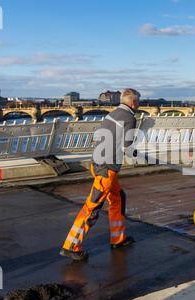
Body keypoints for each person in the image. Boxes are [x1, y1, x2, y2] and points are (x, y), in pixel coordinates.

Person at [60, 88, 141, 261]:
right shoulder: (130, 118)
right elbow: (127, 148)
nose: (139, 105)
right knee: (93, 207)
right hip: (106, 169)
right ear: (133, 103)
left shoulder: (111, 115)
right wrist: (135, 152)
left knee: (118, 197)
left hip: (97, 163)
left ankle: (118, 239)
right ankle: (71, 246)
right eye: (138, 102)